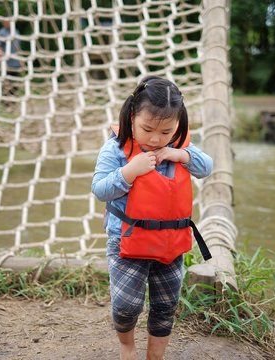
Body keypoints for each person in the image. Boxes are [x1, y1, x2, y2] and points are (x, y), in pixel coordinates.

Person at [91, 76, 213, 360]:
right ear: (132, 117)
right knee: (126, 306)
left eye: (166, 131)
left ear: (178, 125)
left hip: (170, 244)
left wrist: (180, 154)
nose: (156, 139)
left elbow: (207, 167)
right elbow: (99, 190)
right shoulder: (116, 148)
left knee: (165, 306)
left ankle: (154, 357)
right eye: (147, 129)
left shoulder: (178, 147)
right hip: (127, 241)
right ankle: (127, 347)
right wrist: (130, 171)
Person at [0, 19, 22, 95]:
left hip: (15, 62)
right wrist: (2, 61)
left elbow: (18, 47)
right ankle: (3, 99)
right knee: (5, 81)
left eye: (6, 22)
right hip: (6, 62)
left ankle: (11, 98)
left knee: (15, 82)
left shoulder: (16, 32)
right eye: (4, 22)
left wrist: (21, 61)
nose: (5, 23)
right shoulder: (2, 33)